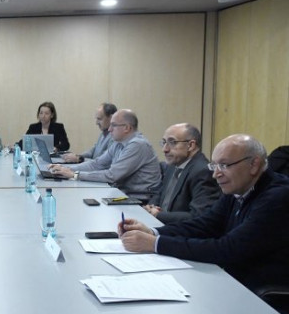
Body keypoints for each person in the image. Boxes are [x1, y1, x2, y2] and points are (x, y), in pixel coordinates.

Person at [119, 134, 289, 293]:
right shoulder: (239, 187)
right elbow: (204, 225)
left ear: (254, 164)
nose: (216, 174)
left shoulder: (278, 197)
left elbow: (228, 249)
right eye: (214, 165)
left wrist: (155, 244)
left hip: (261, 293)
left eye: (224, 165)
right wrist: (152, 232)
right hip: (232, 279)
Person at [48, 110, 161, 199]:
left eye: (114, 125)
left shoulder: (137, 145)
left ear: (127, 128)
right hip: (121, 193)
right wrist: (65, 168)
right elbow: (97, 164)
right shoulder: (118, 142)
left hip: (138, 199)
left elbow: (112, 175)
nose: (110, 129)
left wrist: (74, 174)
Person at [144, 123, 220, 223]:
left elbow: (199, 215)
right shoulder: (174, 164)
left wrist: (158, 215)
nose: (165, 149)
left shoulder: (203, 171)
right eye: (164, 142)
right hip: (161, 225)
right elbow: (160, 193)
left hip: (181, 233)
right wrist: (150, 207)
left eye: (172, 142)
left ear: (191, 145)